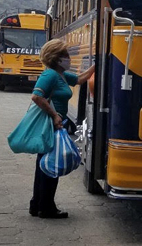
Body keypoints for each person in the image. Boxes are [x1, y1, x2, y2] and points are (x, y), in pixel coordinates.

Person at [29, 39, 94, 219]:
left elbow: (81, 79)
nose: (69, 58)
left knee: (43, 164)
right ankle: (46, 207)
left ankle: (38, 204)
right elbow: (36, 96)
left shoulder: (62, 75)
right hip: (52, 125)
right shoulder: (50, 75)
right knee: (51, 165)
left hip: (56, 124)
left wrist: (97, 65)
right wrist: (54, 115)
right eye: (65, 55)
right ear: (57, 58)